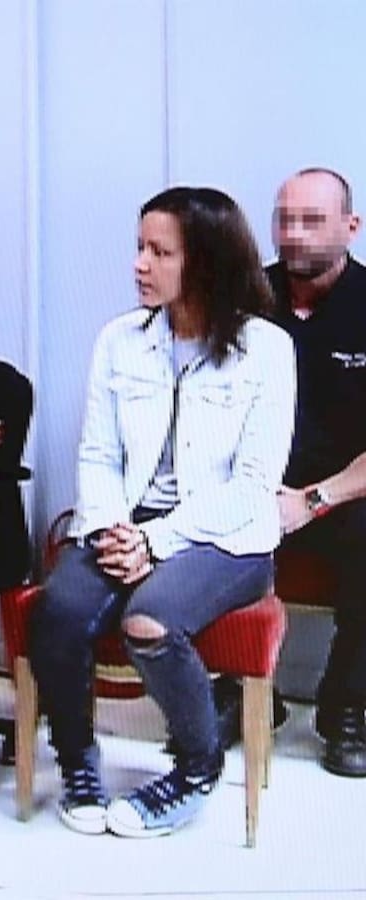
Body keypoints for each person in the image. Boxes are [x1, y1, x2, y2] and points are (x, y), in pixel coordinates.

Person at [29, 187, 295, 837]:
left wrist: (158, 541)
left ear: (206, 261)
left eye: (160, 252)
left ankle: (196, 768)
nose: (140, 265)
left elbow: (254, 485)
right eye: (139, 248)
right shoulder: (120, 340)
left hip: (226, 536)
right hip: (127, 521)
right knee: (59, 610)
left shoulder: (265, 349)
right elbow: (99, 454)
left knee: (150, 622)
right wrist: (112, 527)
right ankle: (78, 762)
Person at [268, 167, 366, 778]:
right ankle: (239, 691)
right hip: (256, 486)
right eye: (285, 220)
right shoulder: (245, 300)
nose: (294, 234)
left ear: (351, 227)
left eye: (311, 221)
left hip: (346, 492)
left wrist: (312, 499)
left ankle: (347, 708)